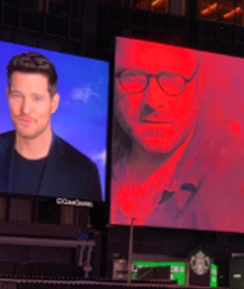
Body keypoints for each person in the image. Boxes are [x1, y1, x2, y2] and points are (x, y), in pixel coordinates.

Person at [110, 40, 206, 227]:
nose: (153, 101)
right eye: (133, 77)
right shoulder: (94, 168)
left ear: (200, 81)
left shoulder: (226, 187)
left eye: (172, 80)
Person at [0, 52, 102, 199]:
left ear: (54, 103)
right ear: (7, 94)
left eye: (37, 98)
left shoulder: (84, 171)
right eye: (17, 95)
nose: (25, 109)